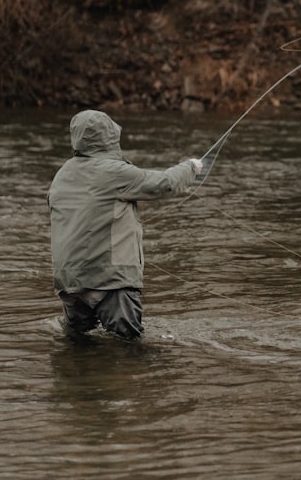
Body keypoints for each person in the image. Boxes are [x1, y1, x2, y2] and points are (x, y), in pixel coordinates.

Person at [48, 109, 202, 340]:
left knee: (78, 348)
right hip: (111, 283)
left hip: (69, 284)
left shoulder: (62, 174)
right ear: (109, 138)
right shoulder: (114, 171)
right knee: (128, 349)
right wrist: (192, 167)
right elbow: (165, 184)